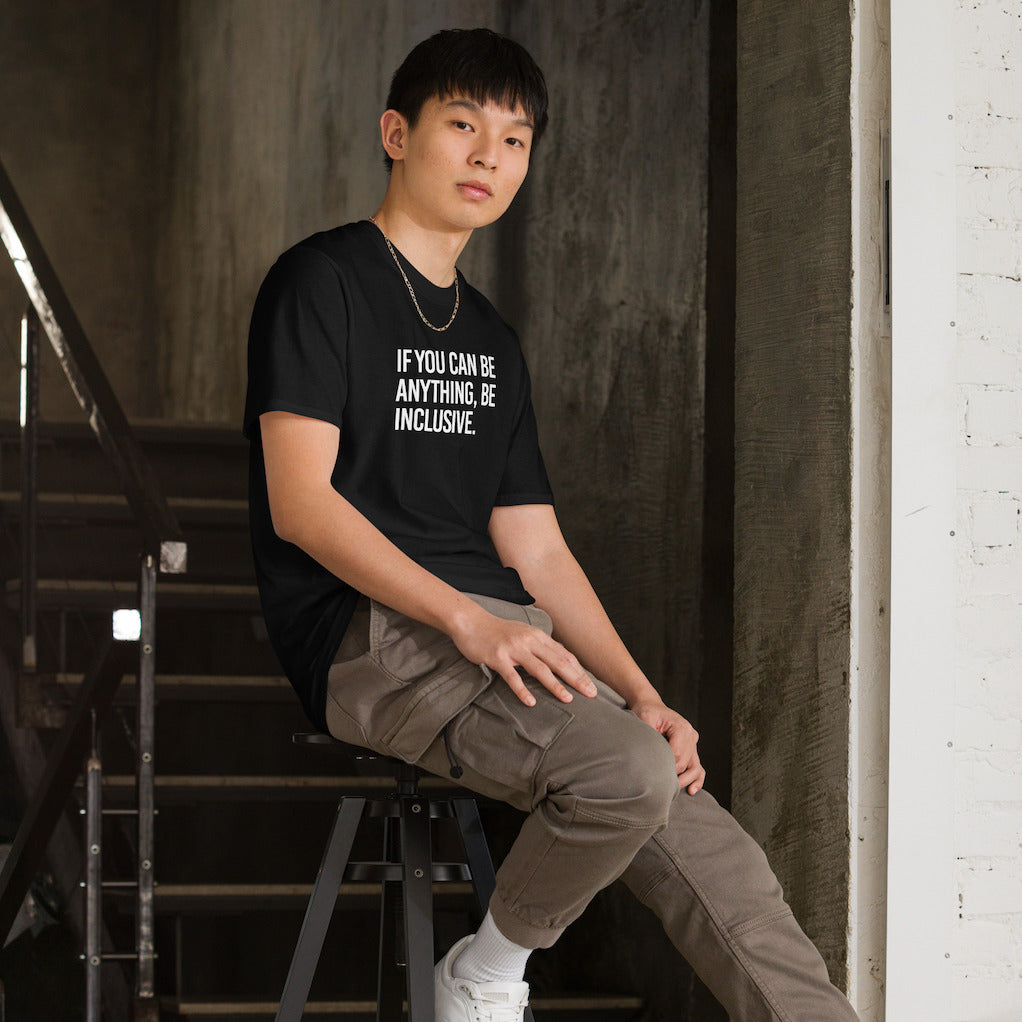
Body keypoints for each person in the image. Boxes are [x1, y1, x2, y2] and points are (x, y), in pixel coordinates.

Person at [243, 27, 860, 1022]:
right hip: (369, 634)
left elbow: (536, 547)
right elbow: (301, 504)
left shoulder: (490, 336)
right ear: (395, 134)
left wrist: (640, 690)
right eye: (461, 125)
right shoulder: (322, 283)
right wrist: (466, 618)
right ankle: (483, 972)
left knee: (717, 852)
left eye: (515, 139)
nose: (489, 156)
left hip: (497, 628)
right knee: (620, 771)